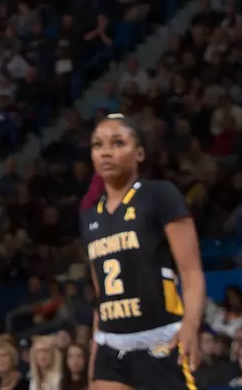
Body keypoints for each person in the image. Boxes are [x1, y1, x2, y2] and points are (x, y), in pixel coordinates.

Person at [85, 114, 207, 390]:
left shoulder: (160, 195)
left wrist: (191, 325)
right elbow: (99, 297)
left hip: (161, 340)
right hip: (111, 345)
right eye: (97, 145)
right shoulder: (90, 217)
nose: (106, 151)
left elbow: (191, 271)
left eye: (118, 143)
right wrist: (95, 350)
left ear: (139, 152)